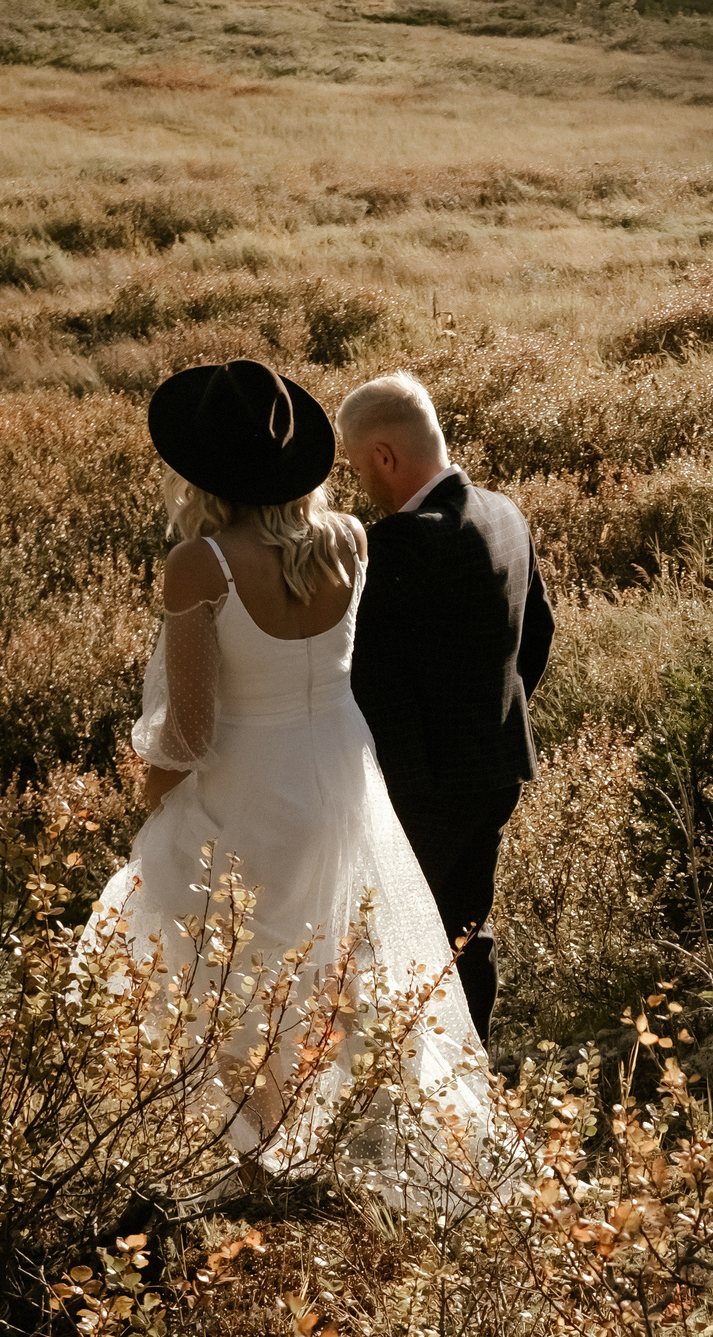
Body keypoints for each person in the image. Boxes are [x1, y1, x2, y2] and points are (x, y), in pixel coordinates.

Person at [83, 358, 496, 1202]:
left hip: (249, 785)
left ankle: (264, 1167)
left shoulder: (201, 563)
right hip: (341, 780)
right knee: (327, 969)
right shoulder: (350, 538)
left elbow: (190, 731)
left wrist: (151, 797)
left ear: (204, 470)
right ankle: (314, 1156)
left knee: (223, 979)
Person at [336, 372, 554, 1041]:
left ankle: (416, 1073)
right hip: (496, 768)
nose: (360, 482)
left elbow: (365, 677)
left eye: (357, 467)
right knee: (467, 932)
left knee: (396, 937)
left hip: (422, 787)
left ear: (384, 456)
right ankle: (474, 1064)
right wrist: (490, 715)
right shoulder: (506, 513)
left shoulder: (397, 545)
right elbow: (538, 633)